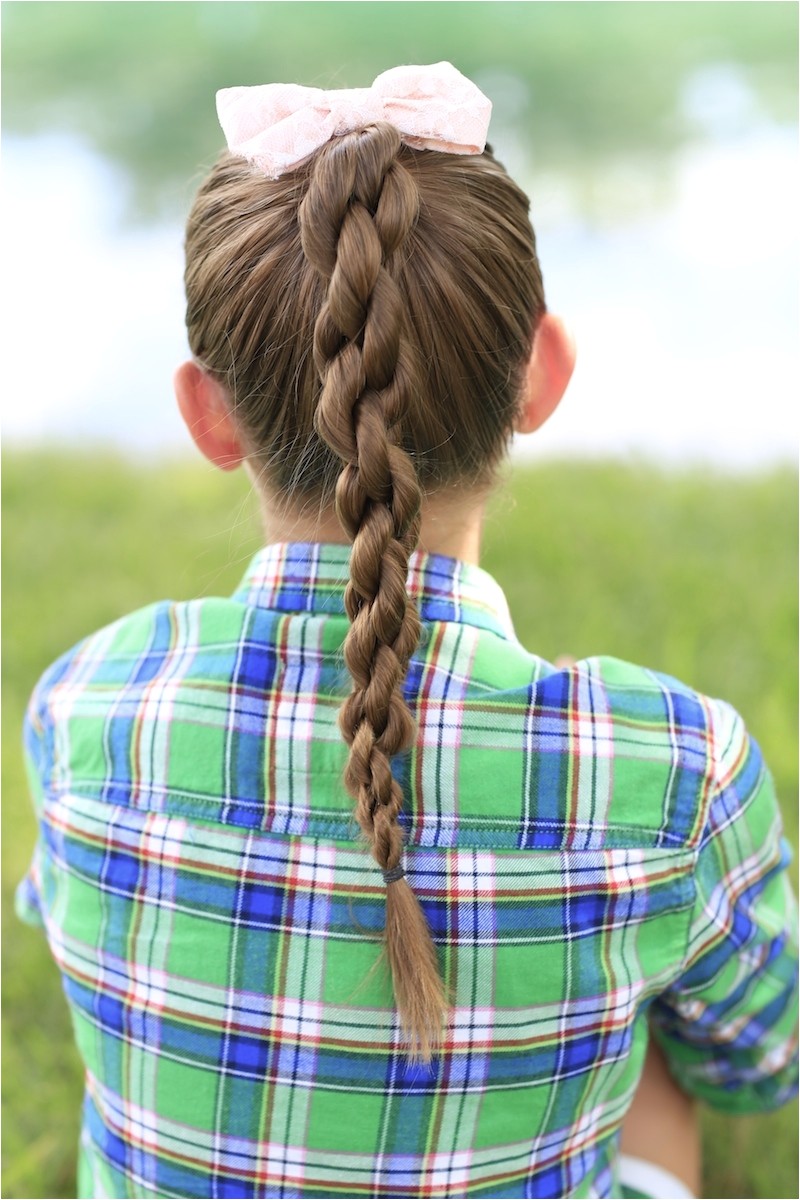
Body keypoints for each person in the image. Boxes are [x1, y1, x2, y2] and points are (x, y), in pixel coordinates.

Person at [17, 63, 797, 1200]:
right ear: (539, 377)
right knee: (666, 1045)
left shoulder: (86, 707)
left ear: (208, 415)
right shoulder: (675, 772)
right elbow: (759, 1060)